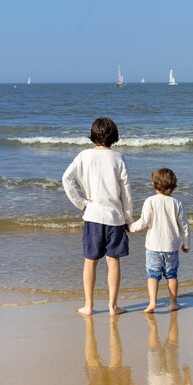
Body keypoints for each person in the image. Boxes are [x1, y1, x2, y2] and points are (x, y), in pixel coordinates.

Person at [62, 117, 133, 315]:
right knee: (113, 261)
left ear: (93, 135)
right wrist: (128, 217)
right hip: (115, 217)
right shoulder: (118, 157)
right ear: (114, 136)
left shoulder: (84, 155)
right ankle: (113, 306)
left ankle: (89, 306)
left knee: (90, 261)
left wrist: (81, 203)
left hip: (92, 215)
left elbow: (66, 179)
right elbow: (126, 191)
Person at [129, 168, 190, 313]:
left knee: (153, 275)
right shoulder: (177, 203)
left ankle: (152, 303)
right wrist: (186, 243)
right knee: (172, 275)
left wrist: (130, 228)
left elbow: (144, 221)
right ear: (173, 185)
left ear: (154, 185)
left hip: (153, 246)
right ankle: (174, 303)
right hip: (171, 247)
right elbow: (184, 225)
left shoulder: (150, 201)